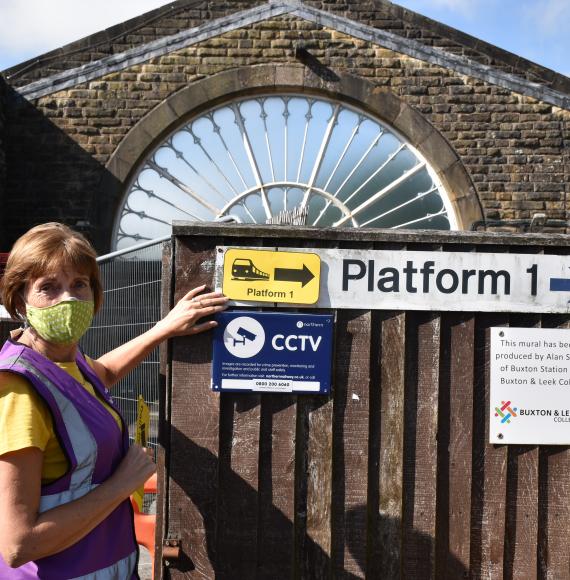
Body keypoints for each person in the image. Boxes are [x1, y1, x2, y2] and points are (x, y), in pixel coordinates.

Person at [0, 222, 228, 578]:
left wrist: (163, 328)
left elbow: (100, 373)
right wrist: (121, 485)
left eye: (79, 284)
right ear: (19, 300)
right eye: (49, 288)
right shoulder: (19, 392)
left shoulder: (64, 362)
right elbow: (18, 546)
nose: (68, 299)